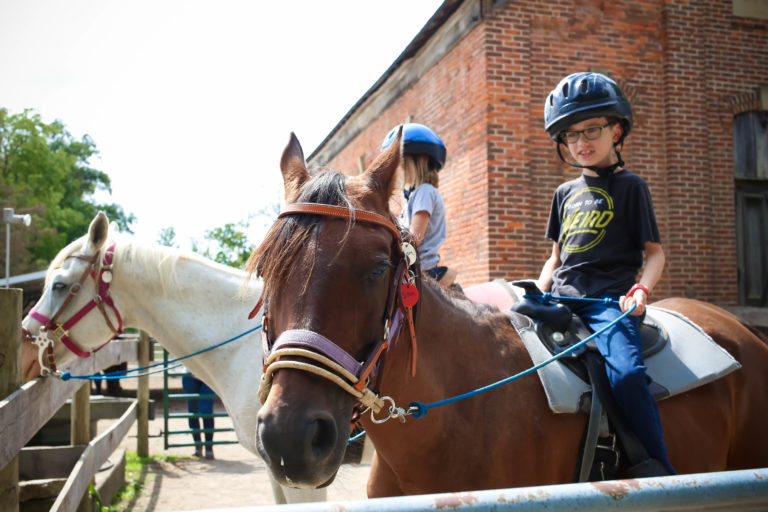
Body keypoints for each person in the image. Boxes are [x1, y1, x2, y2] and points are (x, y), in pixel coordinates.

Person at [536, 72, 674, 475]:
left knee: (628, 375)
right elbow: (556, 259)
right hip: (559, 300)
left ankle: (658, 468)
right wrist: (537, 289)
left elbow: (655, 255)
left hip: (607, 304)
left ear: (616, 130)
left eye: (591, 130)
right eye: (570, 135)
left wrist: (641, 292)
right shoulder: (563, 194)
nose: (580, 142)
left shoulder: (633, 187)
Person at [381, 122, 456, 289]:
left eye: (401, 163)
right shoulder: (416, 195)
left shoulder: (424, 192)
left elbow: (414, 238)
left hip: (422, 271)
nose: (397, 170)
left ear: (417, 160)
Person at [181, 368, 216, 459]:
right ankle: (197, 446)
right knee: (192, 411)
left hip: (208, 374)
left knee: (206, 410)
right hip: (189, 374)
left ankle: (209, 447)